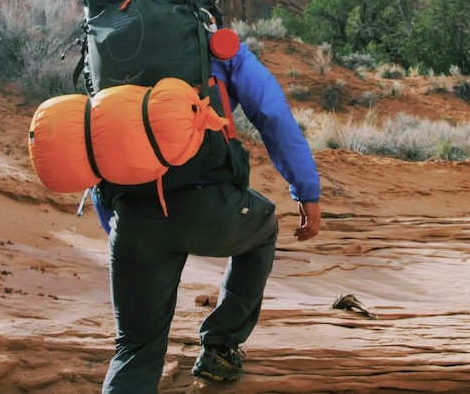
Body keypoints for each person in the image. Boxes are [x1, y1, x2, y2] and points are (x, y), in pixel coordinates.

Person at [95, 30, 322, 393]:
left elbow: (96, 140)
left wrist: (114, 225)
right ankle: (220, 347)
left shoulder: (112, 56)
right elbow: (272, 115)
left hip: (134, 216)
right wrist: (306, 190)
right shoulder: (216, 48)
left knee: (135, 349)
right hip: (212, 207)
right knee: (263, 227)